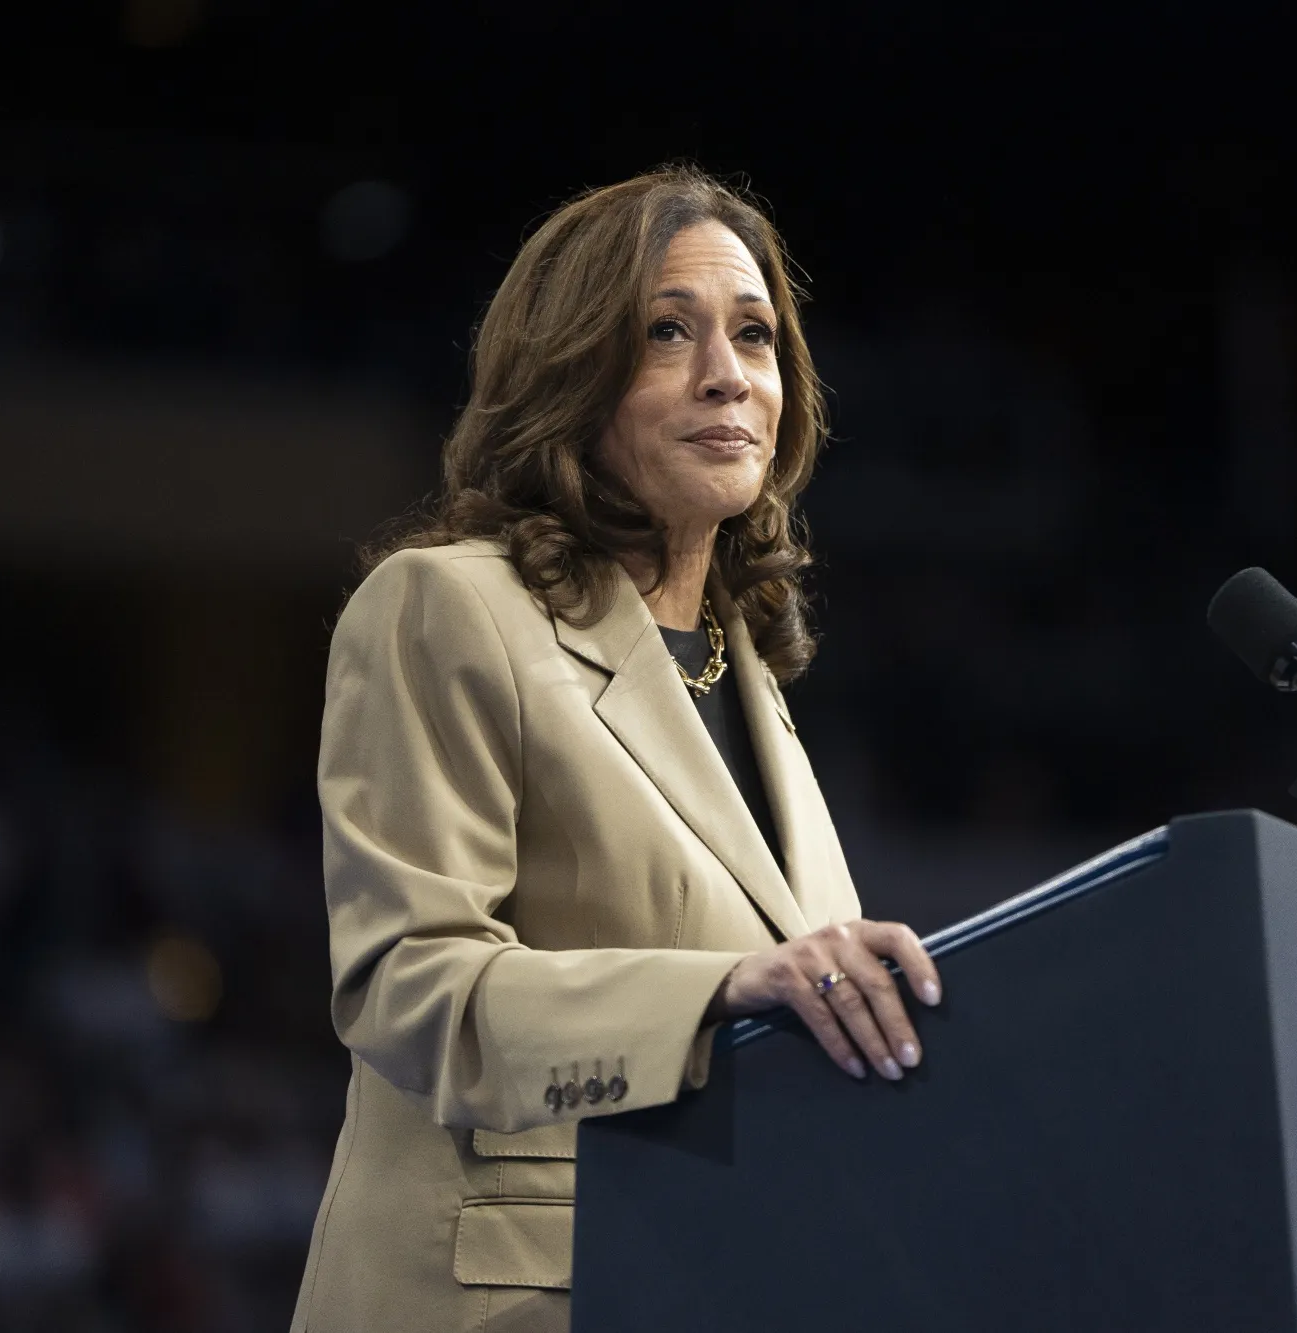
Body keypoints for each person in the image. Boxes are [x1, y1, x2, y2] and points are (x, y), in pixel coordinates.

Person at [290, 167, 942, 1333]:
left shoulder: (749, 679)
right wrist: (717, 993)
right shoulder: (442, 607)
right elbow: (410, 988)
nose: (726, 375)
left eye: (754, 337)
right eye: (665, 334)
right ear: (568, 376)